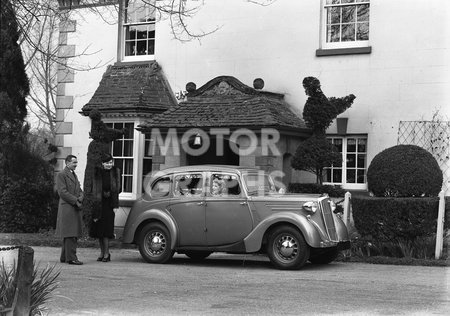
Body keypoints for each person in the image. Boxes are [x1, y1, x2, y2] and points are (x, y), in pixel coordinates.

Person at [89, 153, 121, 262]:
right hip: (98, 204)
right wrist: (102, 193)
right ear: (102, 163)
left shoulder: (115, 172)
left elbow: (119, 188)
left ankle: (107, 254)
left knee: (107, 230)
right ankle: (102, 253)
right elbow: (93, 188)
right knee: (99, 231)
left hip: (109, 204)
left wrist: (111, 193)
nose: (109, 164)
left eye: (111, 162)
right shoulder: (97, 172)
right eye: (107, 163)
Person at [55, 155, 84, 265]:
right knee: (70, 234)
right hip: (68, 207)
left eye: (76, 162)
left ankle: (64, 257)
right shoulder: (62, 175)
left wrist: (81, 198)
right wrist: (76, 200)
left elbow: (80, 189)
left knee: (71, 233)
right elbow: (62, 192)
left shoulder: (73, 174)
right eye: (74, 162)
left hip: (74, 206)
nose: (76, 164)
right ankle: (71, 258)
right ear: (67, 163)